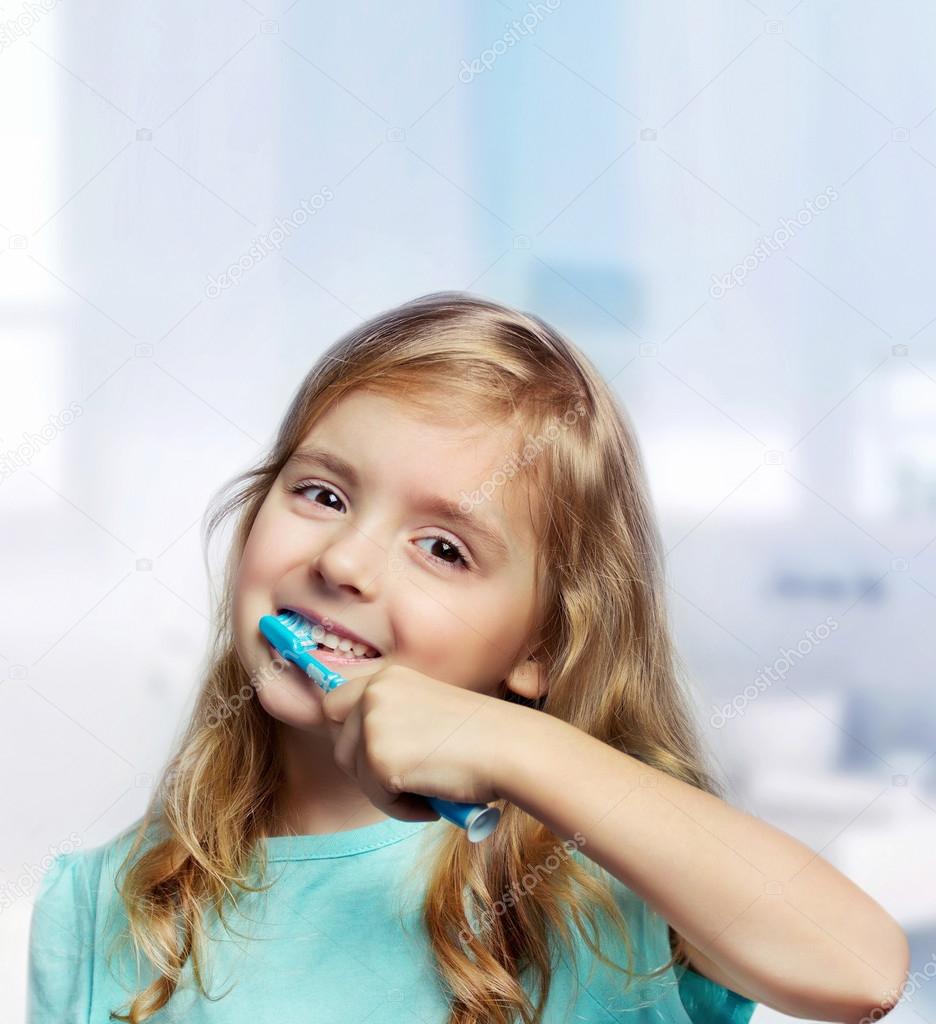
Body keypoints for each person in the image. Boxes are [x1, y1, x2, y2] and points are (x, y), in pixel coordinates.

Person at [27, 292, 908, 1023]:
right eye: (322, 493)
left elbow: (863, 973)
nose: (342, 563)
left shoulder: (605, 875)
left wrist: (519, 749)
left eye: (443, 548)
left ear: (540, 648)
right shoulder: (101, 905)